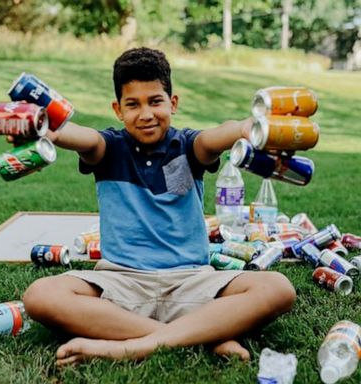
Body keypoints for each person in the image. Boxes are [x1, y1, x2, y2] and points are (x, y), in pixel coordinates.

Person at [22, 47, 296, 366]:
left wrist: (245, 129)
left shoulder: (190, 147)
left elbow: (217, 136)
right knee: (40, 296)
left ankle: (133, 346)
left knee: (278, 288)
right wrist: (48, 129)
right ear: (117, 110)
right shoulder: (108, 148)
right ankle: (204, 336)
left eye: (155, 101)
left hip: (191, 281)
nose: (146, 114)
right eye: (133, 104)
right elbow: (80, 137)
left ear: (173, 103)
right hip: (122, 282)